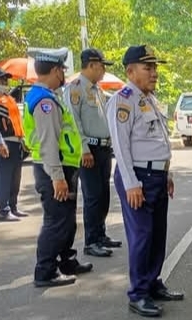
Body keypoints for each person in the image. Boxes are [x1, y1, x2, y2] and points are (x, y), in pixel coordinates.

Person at [107, 45, 184, 317]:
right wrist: (131, 183)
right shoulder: (123, 100)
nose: (154, 73)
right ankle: (138, 294)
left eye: (155, 67)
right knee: (142, 235)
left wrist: (167, 173)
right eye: (147, 68)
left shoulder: (149, 99)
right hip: (138, 177)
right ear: (130, 71)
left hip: (156, 176)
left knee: (157, 234)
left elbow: (158, 141)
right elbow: (121, 146)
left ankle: (152, 283)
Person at [23, 48, 93, 287]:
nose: (64, 75)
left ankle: (66, 261)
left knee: (66, 220)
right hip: (55, 168)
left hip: (63, 166)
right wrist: (57, 177)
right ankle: (45, 271)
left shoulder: (47, 96)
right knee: (56, 221)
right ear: (55, 71)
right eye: (62, 70)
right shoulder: (45, 101)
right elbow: (48, 142)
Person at [63, 48, 122, 258]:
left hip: (103, 149)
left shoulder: (97, 90)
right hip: (89, 150)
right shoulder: (75, 89)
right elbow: (73, 122)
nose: (104, 70)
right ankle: (91, 241)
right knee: (93, 196)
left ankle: (100, 234)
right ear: (91, 65)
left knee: (103, 194)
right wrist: (84, 149)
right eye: (102, 66)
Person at [0, 67, 27, 221]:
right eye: (1, 79)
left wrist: (23, 140)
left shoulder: (8, 97)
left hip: (16, 142)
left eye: (6, 79)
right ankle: (4, 210)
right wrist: (0, 143)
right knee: (4, 177)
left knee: (15, 177)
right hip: (4, 142)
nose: (5, 81)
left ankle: (13, 206)